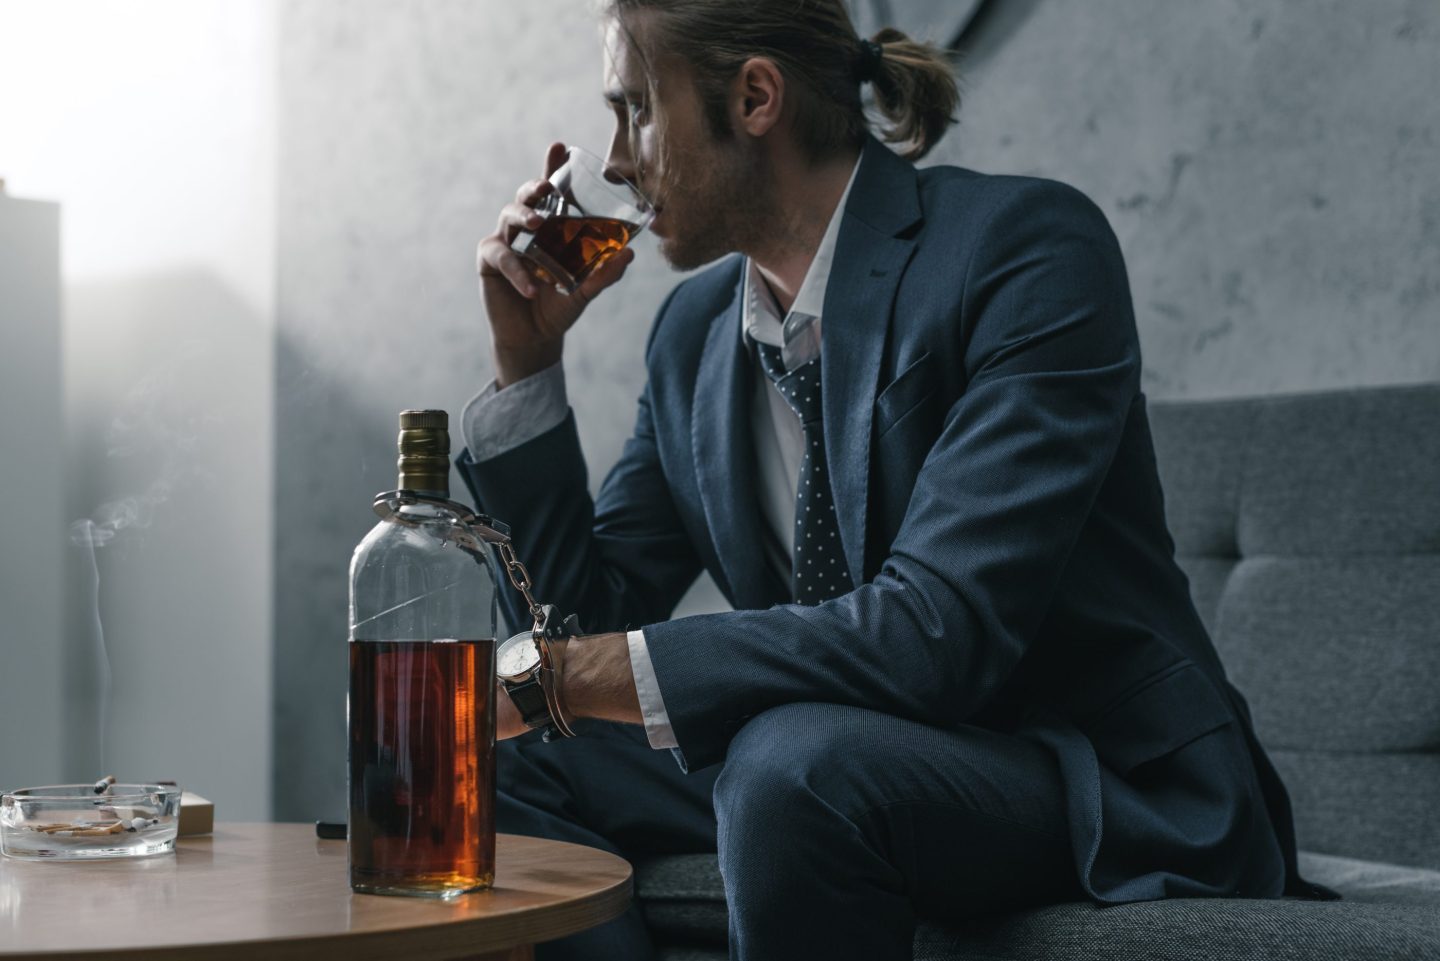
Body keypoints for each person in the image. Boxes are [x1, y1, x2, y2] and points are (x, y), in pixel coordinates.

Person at [460, 2, 1323, 958]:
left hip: (1079, 770)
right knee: (478, 754)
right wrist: (527, 370)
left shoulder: (1026, 250)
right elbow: (579, 632)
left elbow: (934, 634)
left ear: (755, 97)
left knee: (793, 769)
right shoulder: (693, 338)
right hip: (823, 761)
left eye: (637, 109)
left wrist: (564, 676)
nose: (616, 161)